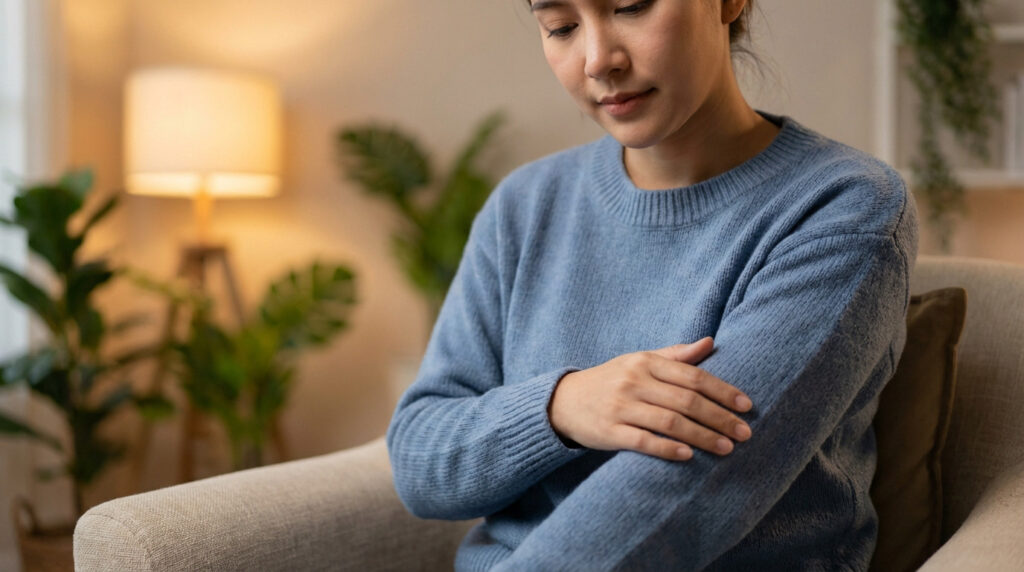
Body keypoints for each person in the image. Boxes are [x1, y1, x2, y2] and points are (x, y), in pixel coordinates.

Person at [386, 0, 918, 570]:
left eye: (631, 7)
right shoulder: (525, 205)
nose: (597, 60)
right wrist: (562, 406)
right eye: (561, 28)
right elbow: (420, 458)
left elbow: (685, 493)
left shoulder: (842, 206)